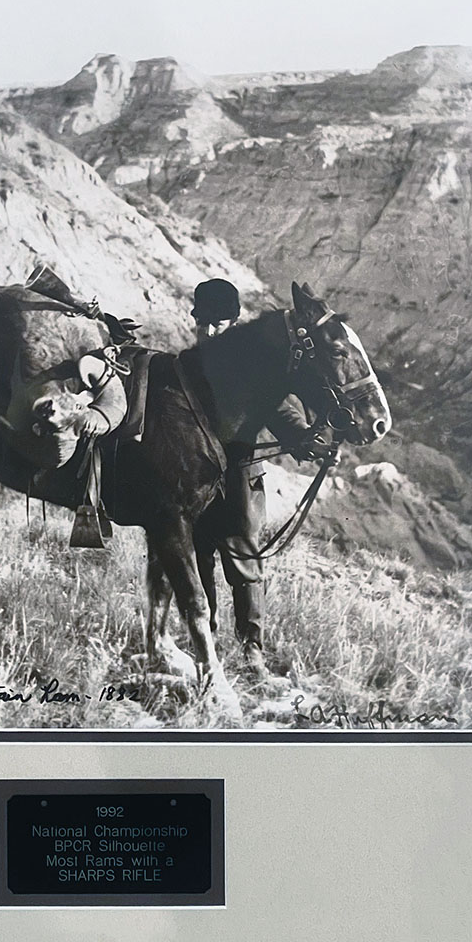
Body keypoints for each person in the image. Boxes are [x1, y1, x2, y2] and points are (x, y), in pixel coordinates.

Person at [190, 278, 330, 675]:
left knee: (244, 560)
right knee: (197, 559)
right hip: (193, 479)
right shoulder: (186, 365)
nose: (209, 330)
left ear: (233, 323)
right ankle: (207, 643)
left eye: (218, 323)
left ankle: (252, 649)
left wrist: (304, 438)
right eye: (203, 322)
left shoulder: (254, 367)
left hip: (237, 479)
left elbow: (281, 409)